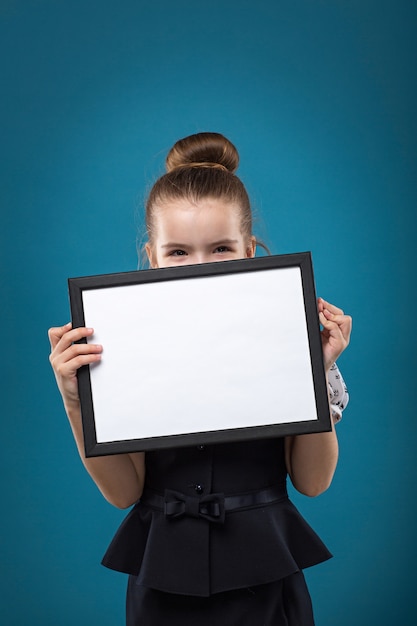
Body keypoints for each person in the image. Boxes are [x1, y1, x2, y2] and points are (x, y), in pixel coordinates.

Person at [48, 132, 352, 625]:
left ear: (250, 249)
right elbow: (124, 492)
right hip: (162, 579)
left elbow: (313, 482)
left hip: (265, 576)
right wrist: (75, 400)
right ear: (152, 256)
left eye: (221, 249)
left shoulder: (287, 338)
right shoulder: (123, 345)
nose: (200, 268)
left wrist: (312, 373)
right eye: (179, 252)